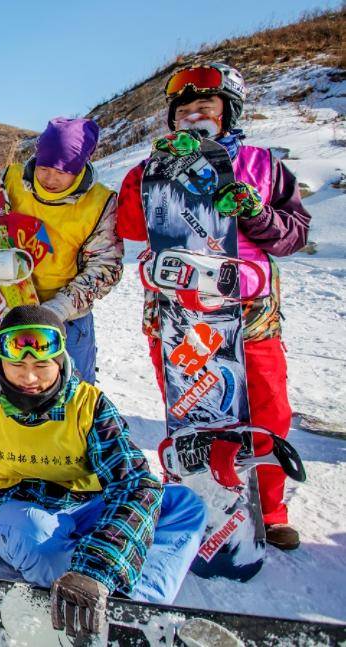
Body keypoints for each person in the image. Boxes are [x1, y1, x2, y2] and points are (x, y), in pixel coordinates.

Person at [0, 305, 206, 640]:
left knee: (185, 505)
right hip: (17, 510)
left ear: (60, 361)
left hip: (86, 507)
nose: (30, 377)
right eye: (17, 365)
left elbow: (135, 484)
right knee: (34, 536)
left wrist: (97, 567)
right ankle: (109, 588)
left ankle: (125, 603)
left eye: (42, 365)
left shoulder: (89, 406)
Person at [116, 63, 312, 550]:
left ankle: (267, 509)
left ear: (229, 113)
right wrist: (159, 182)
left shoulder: (263, 166)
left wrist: (255, 212)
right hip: (177, 309)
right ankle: (198, 499)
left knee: (267, 410)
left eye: (205, 106)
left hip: (248, 308)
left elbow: (294, 233)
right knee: (193, 410)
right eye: (183, 109)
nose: (193, 115)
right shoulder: (150, 167)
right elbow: (130, 228)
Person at [1, 117, 122, 384]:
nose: (50, 178)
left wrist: (60, 307)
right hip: (12, 309)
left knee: (74, 389)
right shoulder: (12, 183)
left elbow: (106, 267)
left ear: (79, 167)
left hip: (69, 318)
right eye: (44, 167)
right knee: (20, 388)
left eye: (63, 171)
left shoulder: (98, 203)